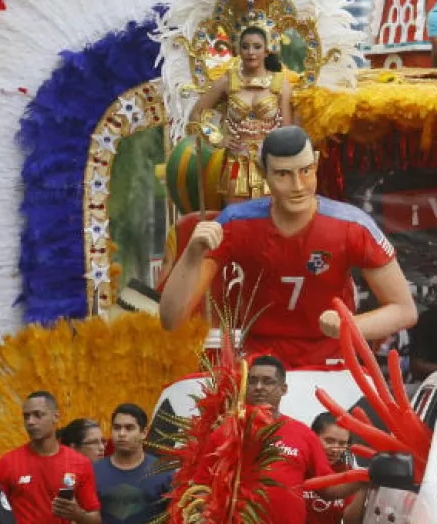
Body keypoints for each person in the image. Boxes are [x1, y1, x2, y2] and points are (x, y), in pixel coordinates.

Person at [160, 126, 418, 368]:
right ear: (264, 173)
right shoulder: (235, 223)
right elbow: (171, 319)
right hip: (261, 368)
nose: (297, 186)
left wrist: (350, 325)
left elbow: (404, 310)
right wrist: (192, 255)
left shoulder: (353, 226)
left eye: (305, 171)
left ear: (316, 164)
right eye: (283, 174)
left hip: (333, 364)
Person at [198, 356, 356, 523]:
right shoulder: (225, 432)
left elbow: (327, 488)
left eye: (268, 382)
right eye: (253, 381)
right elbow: (200, 487)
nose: (259, 387)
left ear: (283, 389)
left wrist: (364, 479)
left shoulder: (303, 434)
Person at [188, 25, 294, 203]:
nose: (250, 52)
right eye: (245, 47)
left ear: (266, 51)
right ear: (238, 50)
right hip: (236, 164)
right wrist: (217, 137)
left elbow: (287, 130)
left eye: (257, 47)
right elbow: (195, 115)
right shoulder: (227, 81)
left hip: (270, 165)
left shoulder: (280, 84)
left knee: (270, 222)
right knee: (237, 222)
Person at [0, 391, 101, 524]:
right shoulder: (7, 463)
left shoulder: (80, 463)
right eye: (26, 416)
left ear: (56, 417)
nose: (30, 422)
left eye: (38, 415)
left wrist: (78, 515)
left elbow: (95, 519)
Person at [92, 404, 172, 524]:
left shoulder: (163, 471)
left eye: (129, 428)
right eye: (116, 428)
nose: (121, 434)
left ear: (144, 433)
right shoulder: (94, 471)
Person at [305, 412, 364, 524]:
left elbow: (350, 521)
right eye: (329, 441)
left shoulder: (349, 475)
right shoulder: (299, 467)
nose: (335, 449)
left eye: (342, 443)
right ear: (313, 437)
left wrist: (363, 487)